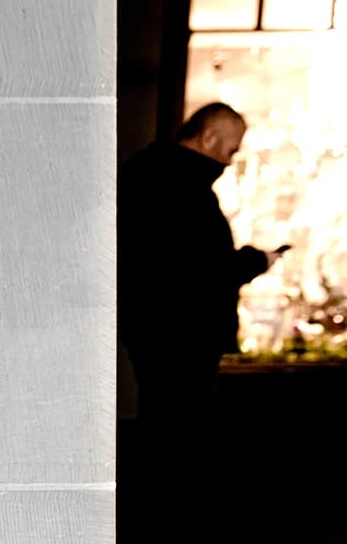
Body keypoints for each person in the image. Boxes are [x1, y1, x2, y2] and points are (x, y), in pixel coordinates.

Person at [118, 102, 283, 538]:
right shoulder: (184, 185)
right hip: (182, 335)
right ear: (208, 138)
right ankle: (173, 521)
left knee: (163, 427)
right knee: (177, 435)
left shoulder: (147, 170)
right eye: (231, 149)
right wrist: (258, 260)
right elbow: (207, 270)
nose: (231, 160)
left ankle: (161, 516)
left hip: (152, 329)